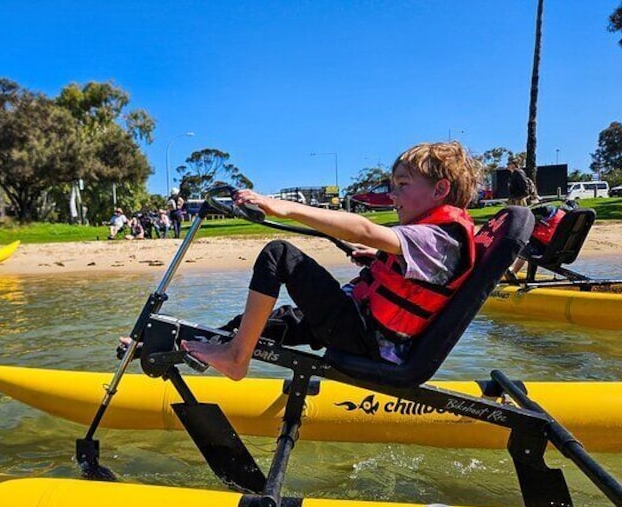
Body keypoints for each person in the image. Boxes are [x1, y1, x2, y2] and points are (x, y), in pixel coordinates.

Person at [181, 141, 481, 381]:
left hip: (366, 339)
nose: (392, 194)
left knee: (279, 254)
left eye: (403, 184)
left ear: (440, 190)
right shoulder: (436, 240)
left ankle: (236, 359)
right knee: (264, 323)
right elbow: (413, 278)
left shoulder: (440, 238)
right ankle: (168, 345)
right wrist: (377, 258)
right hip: (361, 328)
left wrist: (284, 207)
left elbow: (364, 229)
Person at [509, 200, 576, 275]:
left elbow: (529, 213)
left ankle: (509, 270)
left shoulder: (554, 211)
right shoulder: (571, 222)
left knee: (521, 246)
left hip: (540, 250)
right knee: (530, 246)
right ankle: (515, 272)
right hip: (558, 254)